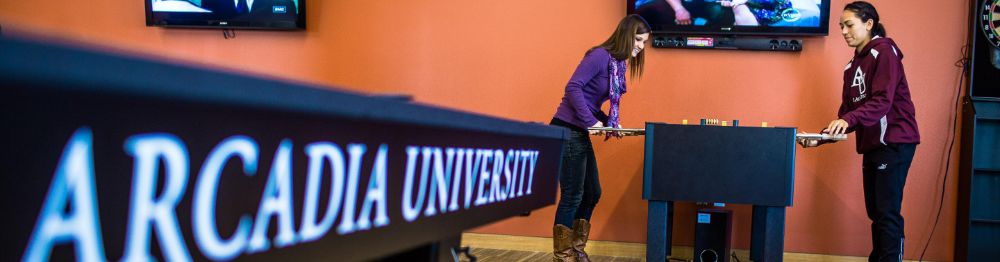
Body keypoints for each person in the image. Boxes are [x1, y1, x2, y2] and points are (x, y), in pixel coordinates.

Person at [799, 2, 919, 261]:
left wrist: (848, 119)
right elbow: (847, 115)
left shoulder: (885, 52)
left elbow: (882, 101)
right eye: (841, 26)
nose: (843, 31)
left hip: (895, 140)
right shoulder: (851, 67)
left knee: (886, 212)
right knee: (876, 212)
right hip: (873, 144)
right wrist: (820, 138)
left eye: (849, 24)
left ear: (869, 24)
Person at [549, 14, 650, 262]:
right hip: (566, 129)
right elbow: (573, 88)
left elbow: (591, 101)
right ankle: (563, 257)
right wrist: (592, 123)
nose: (640, 46)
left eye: (644, 42)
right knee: (573, 195)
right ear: (625, 35)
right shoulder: (600, 56)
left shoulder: (617, 64)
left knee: (592, 193)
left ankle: (576, 249)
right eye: (637, 39)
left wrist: (608, 124)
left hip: (579, 130)